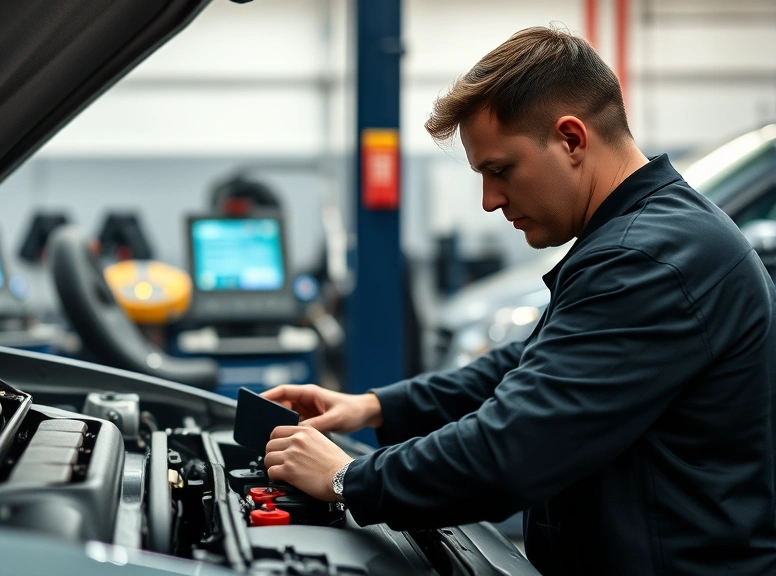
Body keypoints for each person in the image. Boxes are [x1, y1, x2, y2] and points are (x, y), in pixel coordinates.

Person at [262, 26, 776, 576]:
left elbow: (512, 450)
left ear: (572, 140)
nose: (489, 201)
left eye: (500, 170)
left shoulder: (648, 258)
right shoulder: (642, 235)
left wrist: (348, 480)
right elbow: (528, 366)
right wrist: (374, 407)